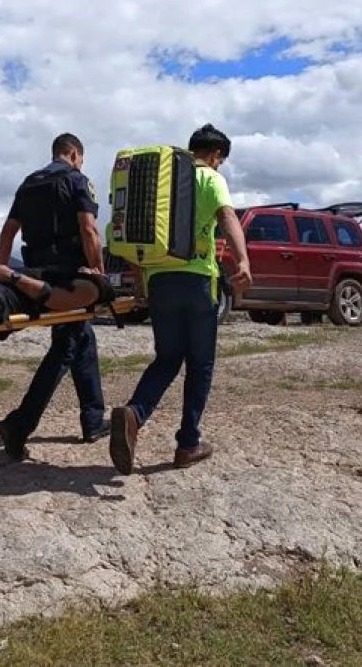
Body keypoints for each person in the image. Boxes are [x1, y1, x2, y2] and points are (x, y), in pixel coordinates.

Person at [108, 124, 251, 476]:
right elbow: (227, 216)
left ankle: (134, 414)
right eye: (221, 159)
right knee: (200, 364)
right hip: (198, 281)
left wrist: (143, 282)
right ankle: (188, 444)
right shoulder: (210, 178)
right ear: (215, 155)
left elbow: (133, 239)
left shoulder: (161, 184)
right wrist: (243, 261)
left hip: (159, 281)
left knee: (168, 358)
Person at [0, 133, 109, 462]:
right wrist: (98, 274)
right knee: (67, 346)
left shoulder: (29, 183)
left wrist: (3, 271)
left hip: (36, 277)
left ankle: (93, 419)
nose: (81, 164)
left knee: (81, 338)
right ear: (74, 154)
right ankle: (19, 424)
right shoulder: (77, 181)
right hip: (68, 278)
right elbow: (88, 229)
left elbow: (8, 231)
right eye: (81, 159)